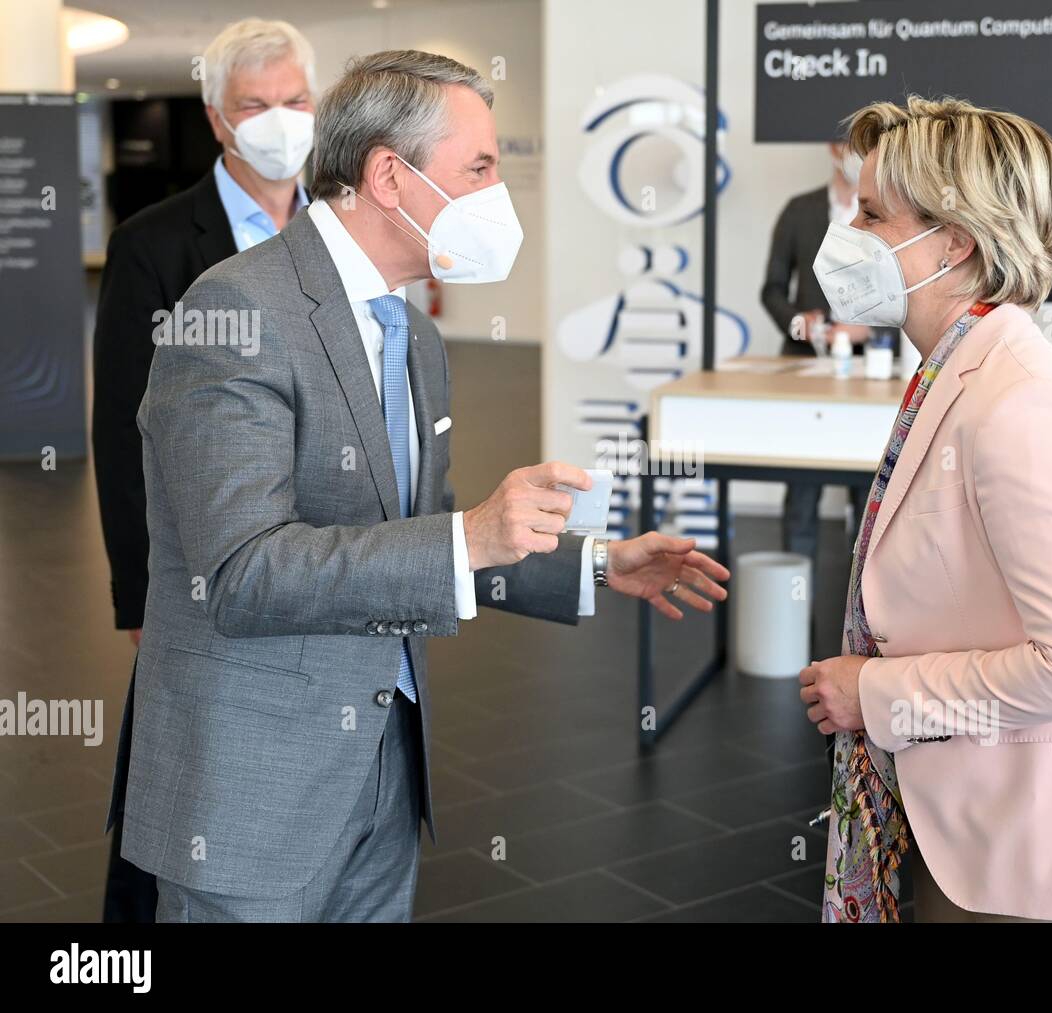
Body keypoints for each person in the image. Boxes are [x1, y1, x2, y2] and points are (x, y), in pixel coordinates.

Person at [107, 49, 729, 923]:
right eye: (478, 168)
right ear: (391, 177)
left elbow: (422, 527)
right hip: (256, 791)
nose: (495, 194)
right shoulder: (238, 314)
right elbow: (243, 571)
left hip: (386, 763)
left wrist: (596, 564)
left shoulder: (411, 332)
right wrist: (470, 536)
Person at [797, 96, 1052, 923]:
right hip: (977, 828)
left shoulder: (1018, 401)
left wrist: (878, 692)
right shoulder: (957, 370)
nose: (848, 230)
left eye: (871, 213)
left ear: (955, 240)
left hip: (1045, 862)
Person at [92, 17, 317, 923]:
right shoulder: (155, 243)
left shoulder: (336, 228)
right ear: (218, 120)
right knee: (179, 768)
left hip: (314, 543)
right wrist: (137, 593)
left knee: (294, 761)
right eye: (255, 106)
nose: (278, 122)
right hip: (195, 555)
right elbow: (118, 427)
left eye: (295, 102)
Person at [760, 144, 872, 565]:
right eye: (849, 147)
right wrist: (797, 323)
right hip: (802, 367)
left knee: (868, 492)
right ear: (832, 149)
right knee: (802, 486)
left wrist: (870, 330)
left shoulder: (887, 212)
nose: (855, 156)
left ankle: (862, 604)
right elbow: (771, 290)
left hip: (867, 371)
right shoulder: (800, 210)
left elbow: (905, 291)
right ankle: (796, 596)